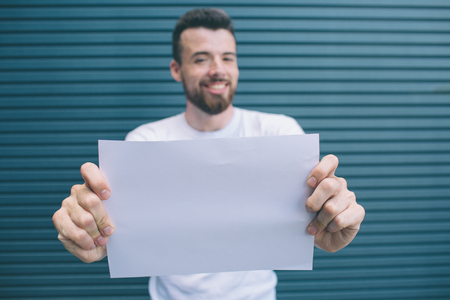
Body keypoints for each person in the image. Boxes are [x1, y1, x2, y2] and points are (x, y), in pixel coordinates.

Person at [53, 8, 365, 300]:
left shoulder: (279, 133)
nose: (218, 70)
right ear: (177, 69)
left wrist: (334, 215)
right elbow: (116, 230)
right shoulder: (146, 141)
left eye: (228, 58)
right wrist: (90, 230)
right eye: (202, 59)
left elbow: (313, 216)